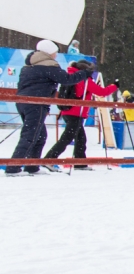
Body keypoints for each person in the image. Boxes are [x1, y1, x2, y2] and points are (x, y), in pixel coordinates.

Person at [6, 40, 92, 176]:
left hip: (23, 102)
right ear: (49, 52)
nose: (56, 55)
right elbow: (67, 79)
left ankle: (32, 166)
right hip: (37, 103)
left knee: (40, 135)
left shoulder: (29, 66)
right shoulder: (48, 66)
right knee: (30, 135)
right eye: (55, 52)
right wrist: (84, 73)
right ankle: (13, 168)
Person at [44, 61, 119, 170]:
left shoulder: (70, 76)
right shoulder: (84, 79)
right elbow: (102, 92)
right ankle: (49, 159)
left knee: (80, 139)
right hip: (76, 113)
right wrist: (114, 86)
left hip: (67, 111)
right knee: (67, 138)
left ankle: (80, 163)